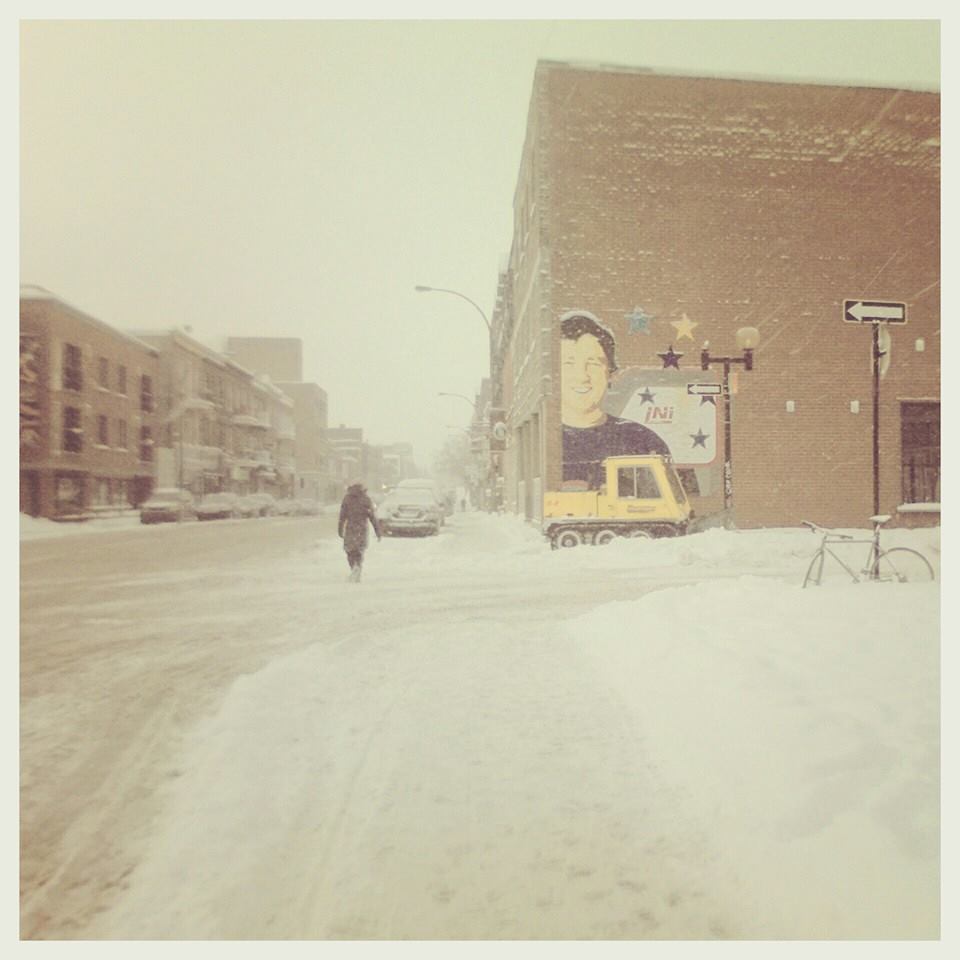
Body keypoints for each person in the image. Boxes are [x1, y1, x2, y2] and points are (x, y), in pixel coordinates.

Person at [560, 310, 671, 490]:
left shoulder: (643, 440)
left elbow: (681, 497)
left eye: (594, 363)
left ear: (610, 373)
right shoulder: (545, 442)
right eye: (568, 363)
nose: (581, 376)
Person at [338, 482, 380, 582]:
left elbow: (342, 516)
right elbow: (372, 517)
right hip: (362, 528)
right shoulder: (366, 499)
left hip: (351, 528)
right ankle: (358, 566)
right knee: (359, 550)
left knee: (349, 550)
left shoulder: (347, 499)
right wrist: (377, 531)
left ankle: (353, 567)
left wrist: (340, 529)